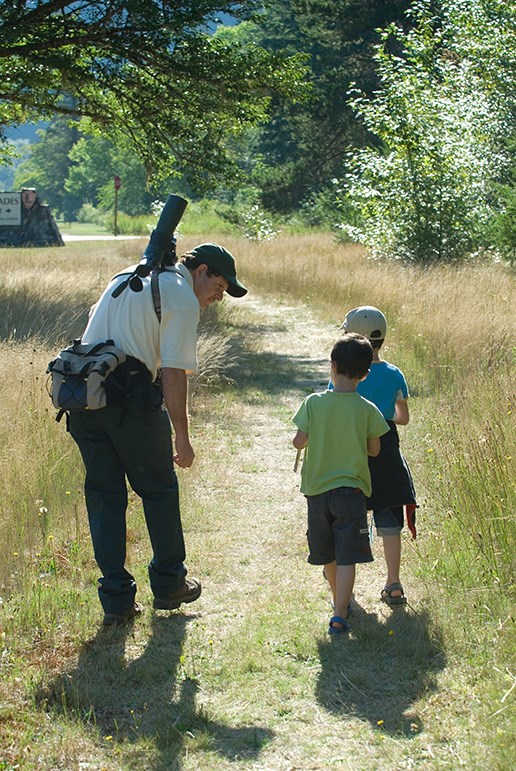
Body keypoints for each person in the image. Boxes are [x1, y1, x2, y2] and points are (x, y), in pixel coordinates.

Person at [68, 242, 248, 626]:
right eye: (219, 285)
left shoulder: (126, 277)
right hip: (131, 401)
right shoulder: (180, 297)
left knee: (104, 496)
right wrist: (181, 436)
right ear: (199, 271)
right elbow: (172, 372)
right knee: (160, 491)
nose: (220, 296)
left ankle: (116, 600)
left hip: (84, 400)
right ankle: (169, 585)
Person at [292, 334, 390, 635]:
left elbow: (298, 440)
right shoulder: (367, 409)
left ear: (332, 366)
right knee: (348, 554)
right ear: (365, 373)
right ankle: (339, 614)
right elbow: (375, 450)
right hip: (352, 492)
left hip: (317, 491)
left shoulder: (313, 403)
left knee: (329, 553)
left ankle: (339, 601)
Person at [334, 306, 417, 605]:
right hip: (387, 447)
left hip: (353, 447)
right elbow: (403, 418)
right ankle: (394, 583)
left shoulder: (344, 373)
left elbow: (337, 407)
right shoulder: (395, 373)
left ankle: (345, 590)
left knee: (349, 516)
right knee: (389, 515)